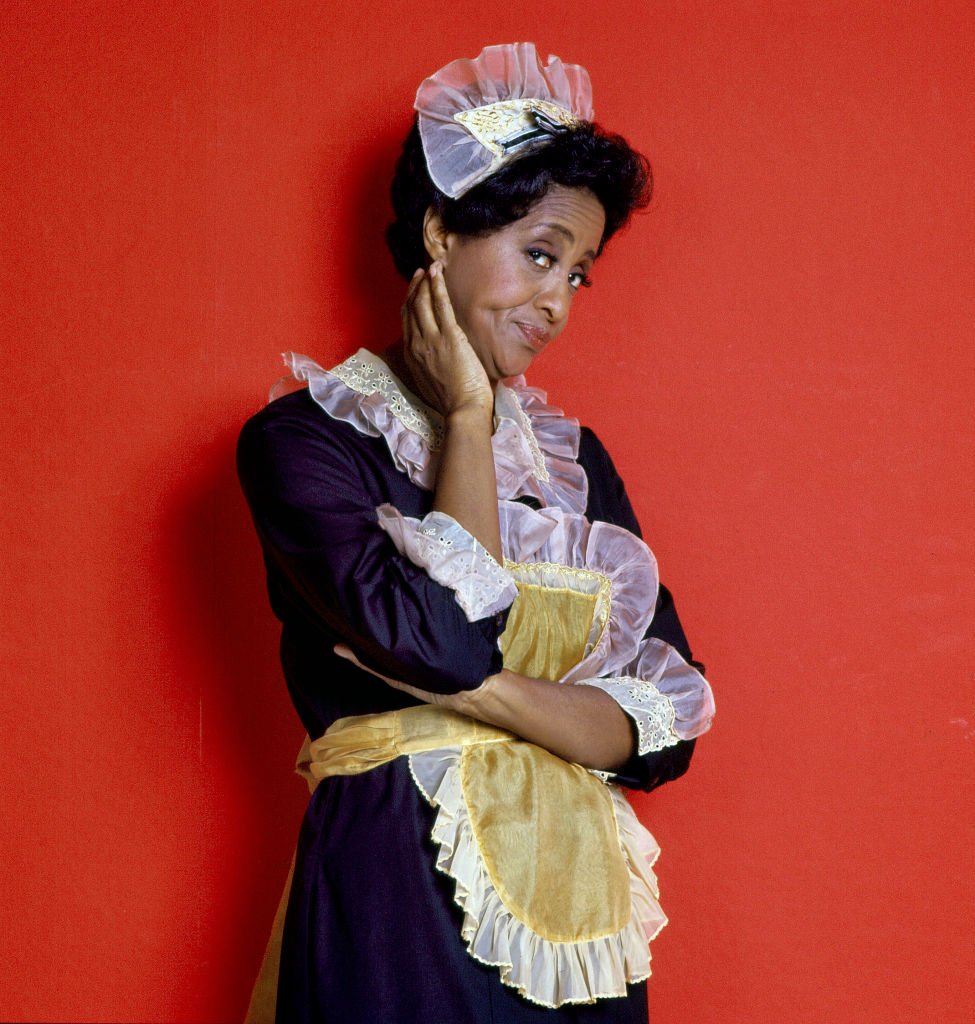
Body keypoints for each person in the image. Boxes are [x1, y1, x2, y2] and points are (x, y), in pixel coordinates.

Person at [237, 43, 715, 1024]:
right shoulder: (306, 442)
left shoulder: (572, 462)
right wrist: (462, 416)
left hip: (576, 914)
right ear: (439, 232)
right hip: (400, 886)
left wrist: (488, 692)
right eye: (541, 253)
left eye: (581, 275)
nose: (556, 301)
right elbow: (445, 638)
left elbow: (659, 727)